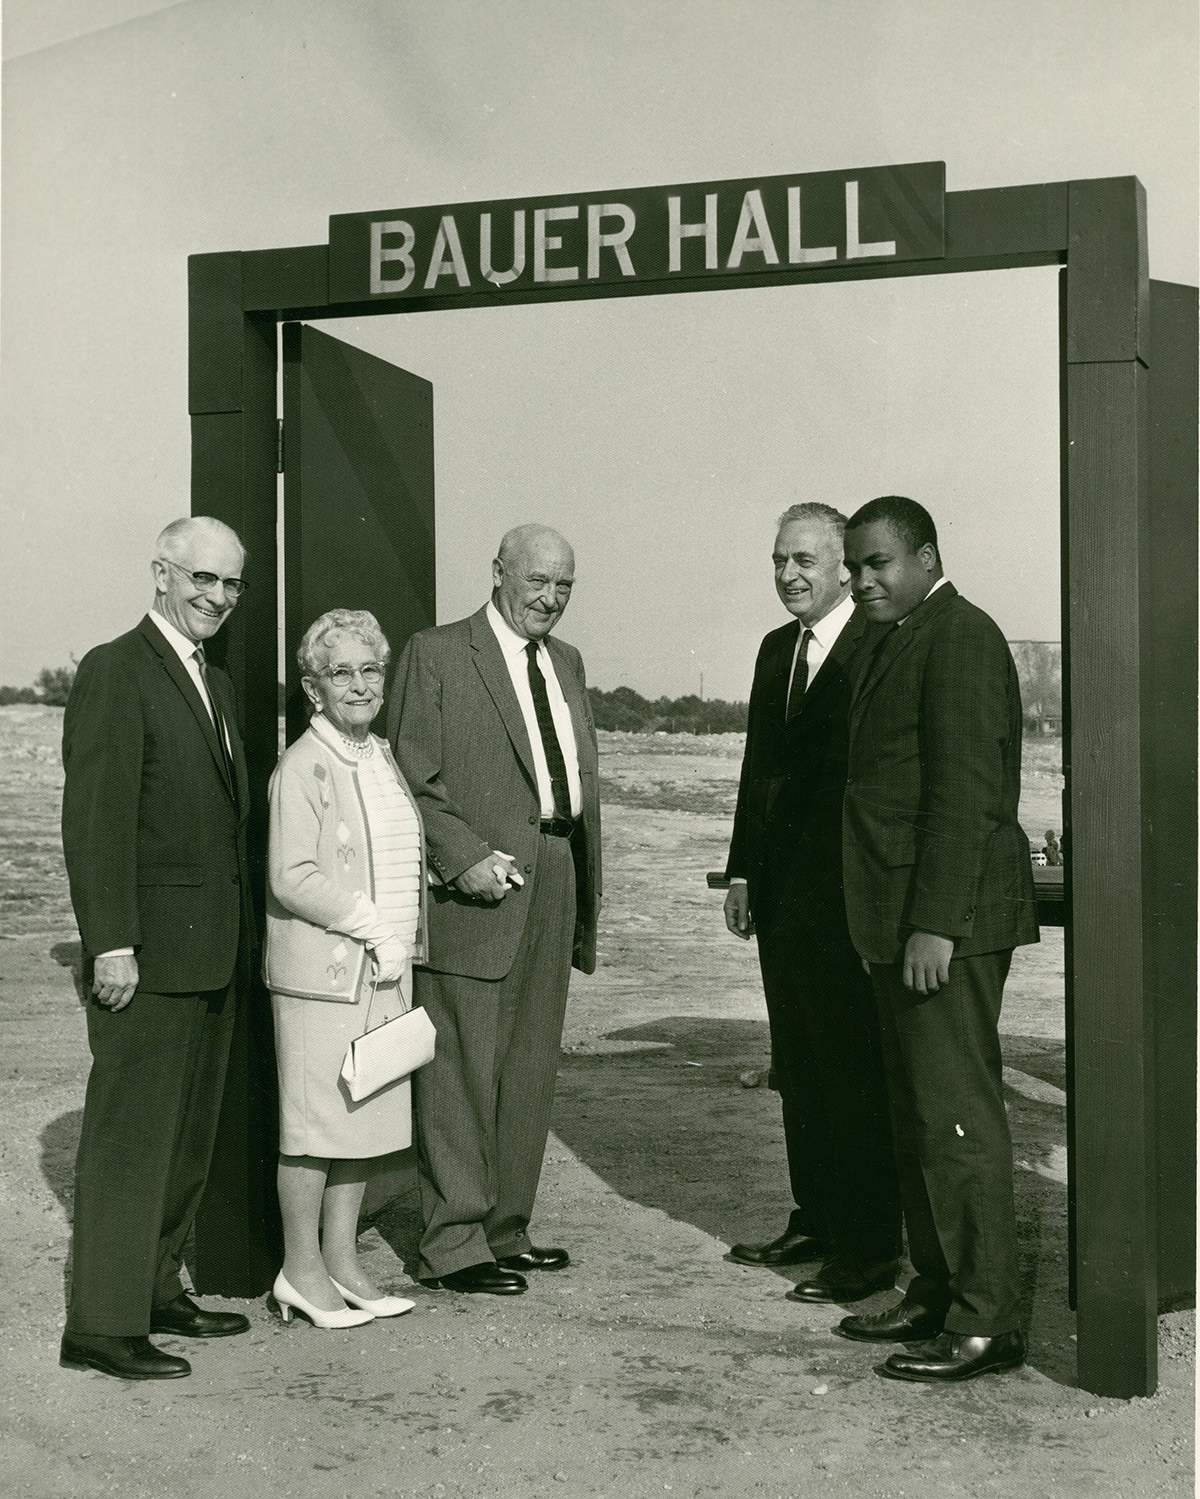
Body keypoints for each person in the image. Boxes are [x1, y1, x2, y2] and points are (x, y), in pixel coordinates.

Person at [837, 495, 1039, 1383]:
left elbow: (969, 796)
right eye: (854, 568)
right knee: (922, 1114)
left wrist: (933, 925)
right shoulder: (900, 635)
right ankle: (938, 1291)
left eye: (878, 563)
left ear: (925, 556)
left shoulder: (959, 636)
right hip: (900, 919)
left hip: (939, 925)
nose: (863, 581)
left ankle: (985, 1320)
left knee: (959, 1121)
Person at [59, 516, 254, 1381]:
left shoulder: (212, 679)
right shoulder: (116, 669)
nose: (216, 596)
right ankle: (102, 1323)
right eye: (201, 579)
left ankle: (155, 1289)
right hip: (148, 956)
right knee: (132, 1138)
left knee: (184, 1138)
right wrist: (111, 943)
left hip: (210, 951)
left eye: (231, 584)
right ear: (162, 573)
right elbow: (95, 823)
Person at [388, 524, 601, 1295]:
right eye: (537, 580)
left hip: (555, 867)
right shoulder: (438, 653)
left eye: (564, 585)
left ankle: (506, 1227)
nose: (550, 597)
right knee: (461, 1065)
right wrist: (463, 856)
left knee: (529, 1065)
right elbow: (411, 776)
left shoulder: (568, 662)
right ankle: (452, 1243)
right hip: (476, 878)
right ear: (499, 573)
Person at [723, 504, 902, 1302]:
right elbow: (759, 767)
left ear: (842, 567)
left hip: (852, 899)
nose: (788, 574)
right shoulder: (774, 650)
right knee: (798, 1065)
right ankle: (815, 1217)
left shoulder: (879, 643)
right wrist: (741, 872)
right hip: (784, 899)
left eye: (804, 560)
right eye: (777, 560)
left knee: (852, 1071)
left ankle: (866, 1249)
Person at [265, 609, 427, 1329]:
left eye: (369, 669)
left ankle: (342, 1263)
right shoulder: (304, 763)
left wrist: (398, 945)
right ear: (312, 686)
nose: (358, 684)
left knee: (360, 1120)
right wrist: (373, 927)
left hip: (382, 973)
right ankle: (300, 1270)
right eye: (341, 672)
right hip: (324, 976)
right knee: (313, 1127)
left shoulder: (377, 753)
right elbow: (291, 875)